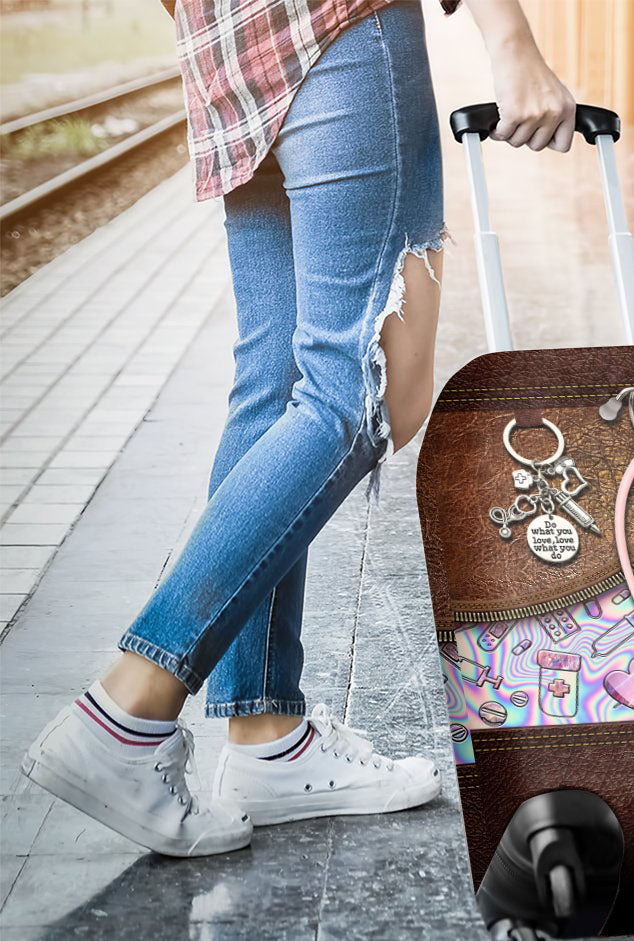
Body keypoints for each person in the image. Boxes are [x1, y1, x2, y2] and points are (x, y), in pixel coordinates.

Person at [22, 0, 576, 857]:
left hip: (227, 50)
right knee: (361, 392)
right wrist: (512, 41)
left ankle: (266, 735)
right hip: (341, 28)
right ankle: (128, 709)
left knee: (276, 385)